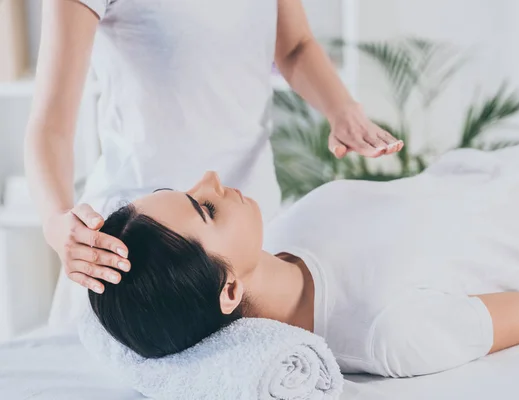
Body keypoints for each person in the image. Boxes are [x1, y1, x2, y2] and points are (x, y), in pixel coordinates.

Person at [23, 0, 403, 322]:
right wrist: (56, 222)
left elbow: (294, 46)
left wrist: (342, 111)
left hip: (253, 231)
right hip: (141, 259)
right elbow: (51, 124)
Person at [89, 147, 519, 378]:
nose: (209, 178)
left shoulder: (290, 227)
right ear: (228, 291)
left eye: (181, 192)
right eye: (206, 208)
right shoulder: (389, 331)